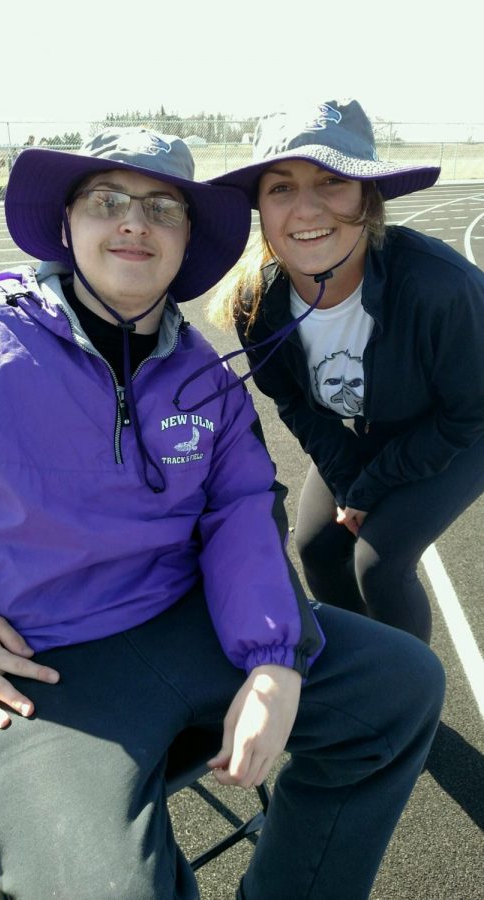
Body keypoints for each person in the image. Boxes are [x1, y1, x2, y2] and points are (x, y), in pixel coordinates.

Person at [0, 127, 444, 900]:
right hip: (42, 668)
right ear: (67, 227)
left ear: (186, 241)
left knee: (400, 684)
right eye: (107, 201)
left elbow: (240, 513)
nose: (134, 222)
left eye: (163, 207)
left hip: (184, 622)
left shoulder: (206, 376)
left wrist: (272, 660)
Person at [204, 99, 484, 644]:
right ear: (260, 206)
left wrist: (370, 486)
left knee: (380, 562)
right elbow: (293, 402)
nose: (305, 210)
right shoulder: (254, 302)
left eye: (332, 181)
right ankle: (365, 668)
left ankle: (408, 703)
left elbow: (468, 415)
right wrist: (347, 477)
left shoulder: (439, 287)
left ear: (368, 197)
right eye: (281, 187)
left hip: (462, 428)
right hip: (374, 425)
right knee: (317, 547)